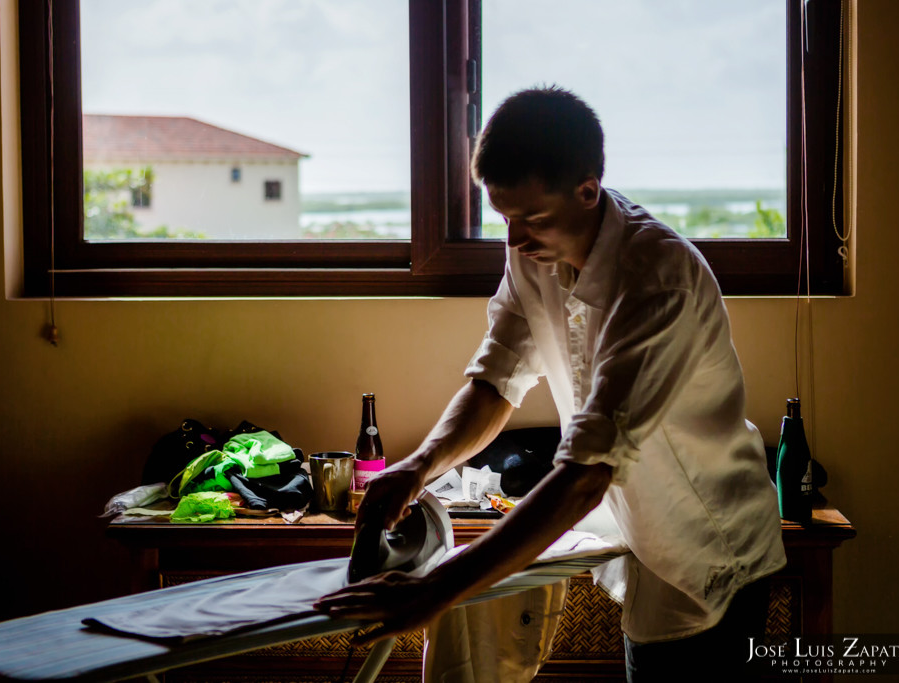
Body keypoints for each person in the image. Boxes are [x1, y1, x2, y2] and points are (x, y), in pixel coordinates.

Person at [315, 86, 786, 682]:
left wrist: (437, 591)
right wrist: (420, 465)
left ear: (588, 190)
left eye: (532, 219)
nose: (513, 240)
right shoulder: (532, 251)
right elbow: (496, 381)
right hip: (643, 533)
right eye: (505, 217)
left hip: (711, 545)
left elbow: (584, 476)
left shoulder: (656, 284)